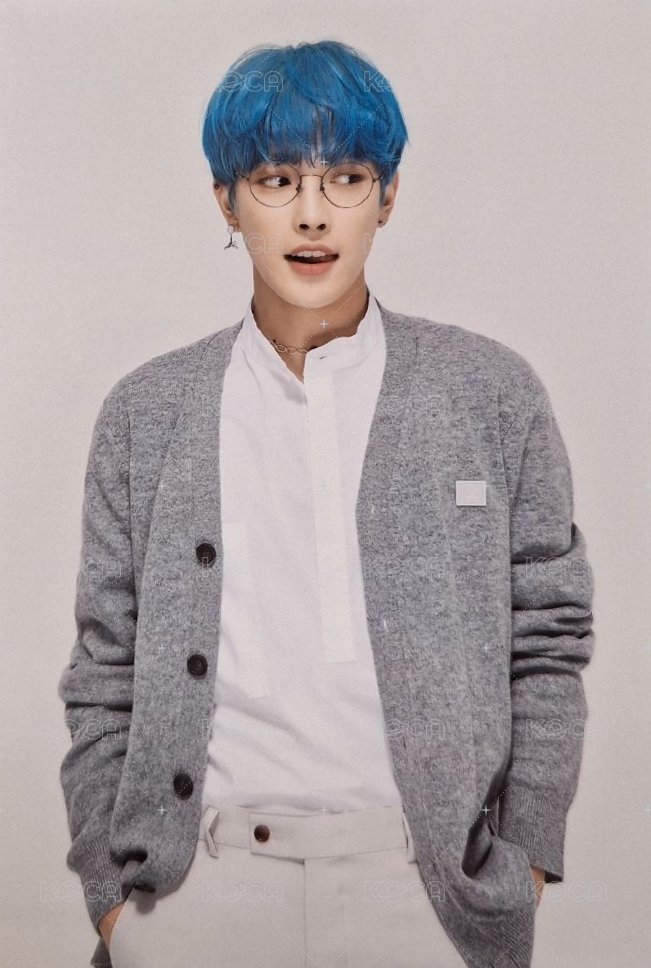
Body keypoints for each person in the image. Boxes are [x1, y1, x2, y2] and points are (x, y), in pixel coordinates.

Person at [58, 39, 595, 968]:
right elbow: (105, 667)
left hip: (428, 896)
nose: (312, 214)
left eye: (344, 177)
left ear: (387, 195)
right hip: (197, 890)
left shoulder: (489, 394)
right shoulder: (147, 414)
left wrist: (526, 858)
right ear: (225, 200)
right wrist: (115, 902)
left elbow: (547, 636)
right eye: (275, 181)